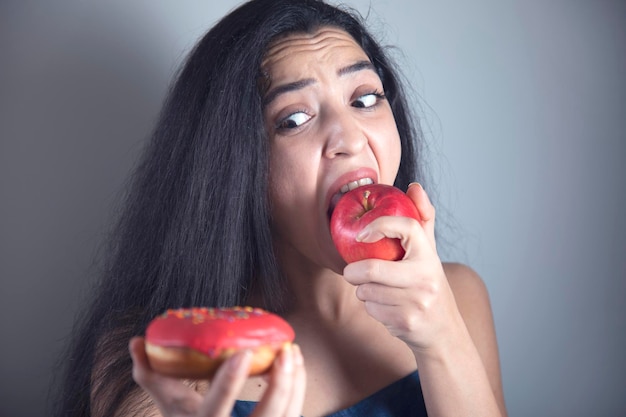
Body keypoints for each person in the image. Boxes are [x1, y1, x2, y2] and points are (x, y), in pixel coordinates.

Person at [53, 0, 507, 416]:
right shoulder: (161, 361)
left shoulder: (458, 298)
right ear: (236, 165)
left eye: (365, 99)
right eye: (293, 119)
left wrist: (442, 340)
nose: (349, 138)